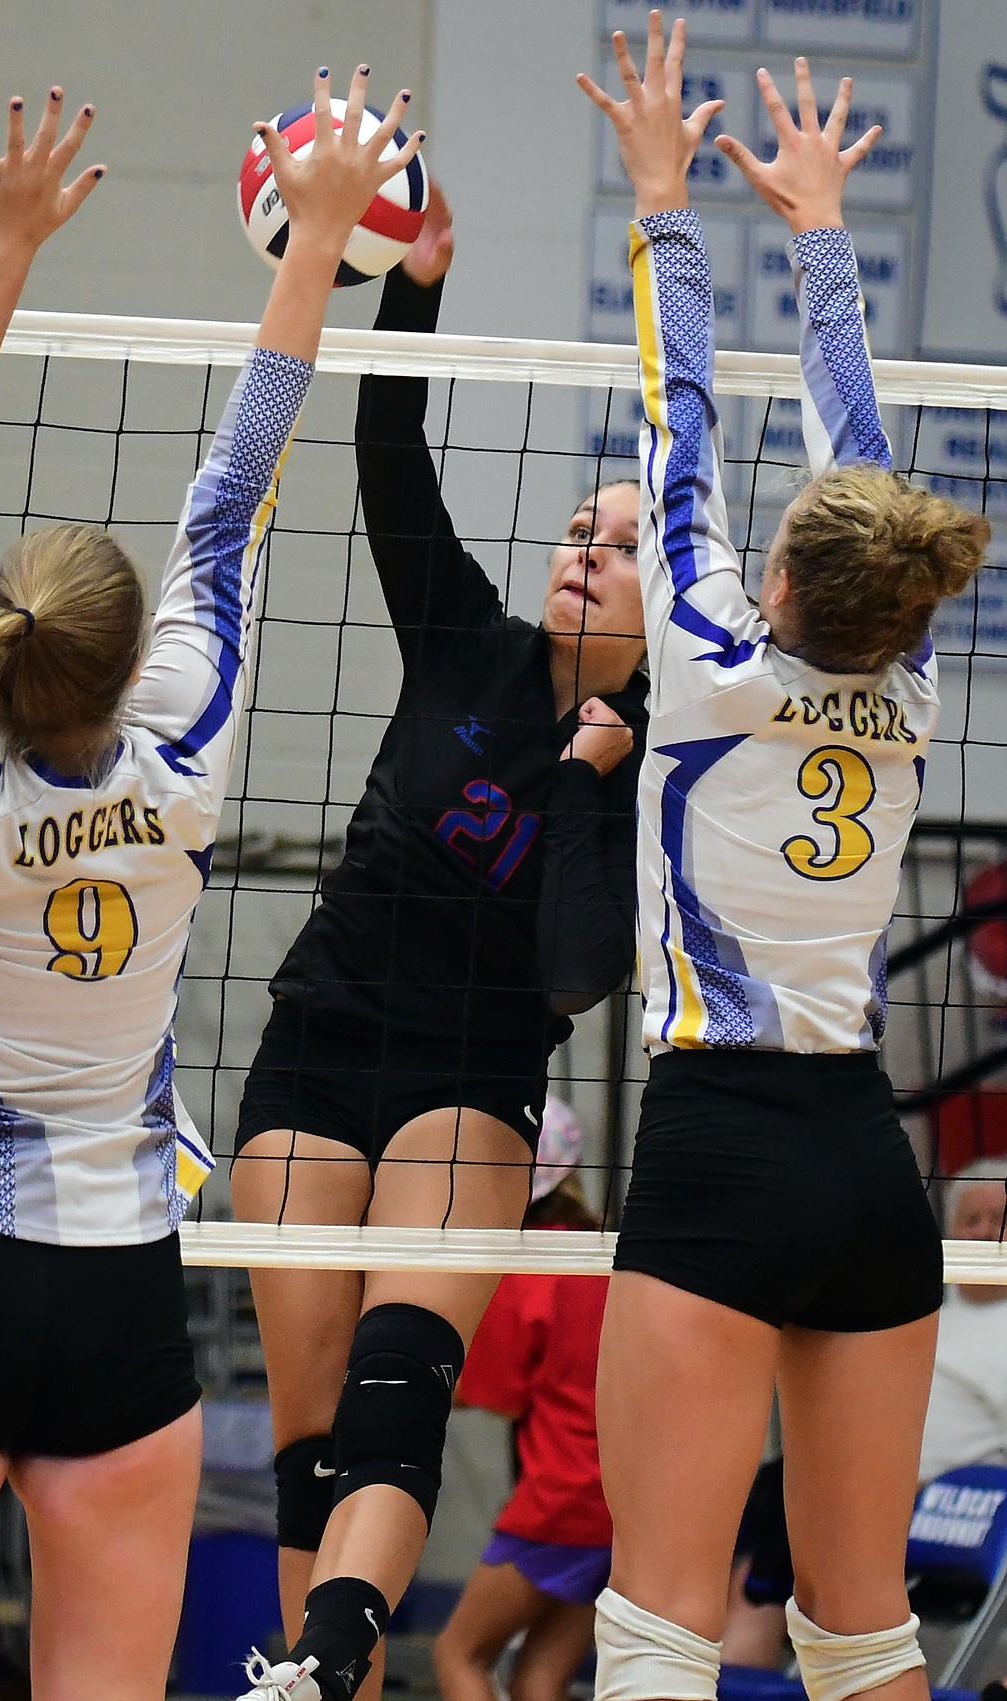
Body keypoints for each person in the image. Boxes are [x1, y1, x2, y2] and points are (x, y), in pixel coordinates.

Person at [0, 68, 421, 1701]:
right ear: (118, 656)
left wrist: (0, 245)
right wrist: (313, 245)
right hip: (116, 1300)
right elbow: (234, 494)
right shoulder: (187, 749)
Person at [574, 16, 992, 1701]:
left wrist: (667, 196)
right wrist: (818, 229)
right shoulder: (915, 687)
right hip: (863, 1168)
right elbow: (857, 459)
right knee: (862, 1631)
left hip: (721, 1151)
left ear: (782, 592)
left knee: (662, 1624)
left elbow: (685, 425)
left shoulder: (704, 666)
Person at [230, 182, 649, 1701]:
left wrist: (592, 791)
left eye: (614, 544)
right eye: (574, 529)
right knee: (305, 1425)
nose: (580, 551)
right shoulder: (464, 635)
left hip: (470, 1080)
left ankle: (329, 1663)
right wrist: (414, 284)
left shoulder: (643, 760)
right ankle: (298, 1673)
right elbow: (388, 450)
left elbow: (575, 977)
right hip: (316, 1039)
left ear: (661, 615)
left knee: (398, 1388)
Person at [724, 1158, 1007, 1671]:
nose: (988, 1232)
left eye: (1001, 1219)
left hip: (918, 1500)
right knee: (762, 1485)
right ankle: (739, 1652)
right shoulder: (920, 1307)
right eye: (973, 1220)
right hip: (835, 1478)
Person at [433, 1098, 611, 1701]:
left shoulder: (528, 1264)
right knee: (540, 1681)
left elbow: (492, 1390)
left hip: (566, 1497)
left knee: (459, 1655)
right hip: (628, 1501)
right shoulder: (600, 1253)